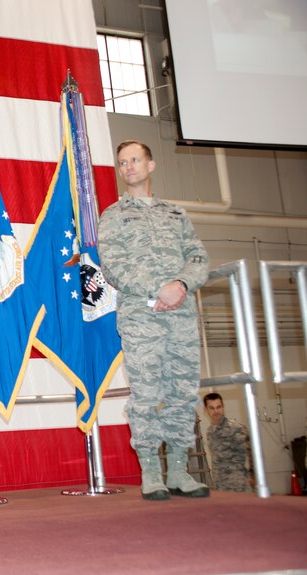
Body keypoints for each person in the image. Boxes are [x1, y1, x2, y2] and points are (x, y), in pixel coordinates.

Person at [98, 140, 210, 501]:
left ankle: (178, 469)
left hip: (180, 314)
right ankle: (151, 471)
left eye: (134, 160)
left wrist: (180, 284)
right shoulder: (114, 215)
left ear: (151, 164)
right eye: (122, 162)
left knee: (181, 391)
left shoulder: (176, 214)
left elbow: (197, 256)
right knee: (147, 393)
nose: (128, 167)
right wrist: (157, 289)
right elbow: (113, 265)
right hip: (141, 318)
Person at [203, 393, 252, 491]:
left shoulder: (234, 427)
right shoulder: (210, 431)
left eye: (219, 407)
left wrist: (253, 475)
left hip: (238, 485)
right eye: (212, 408)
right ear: (205, 409)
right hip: (220, 485)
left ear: (223, 407)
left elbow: (252, 451)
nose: (216, 411)